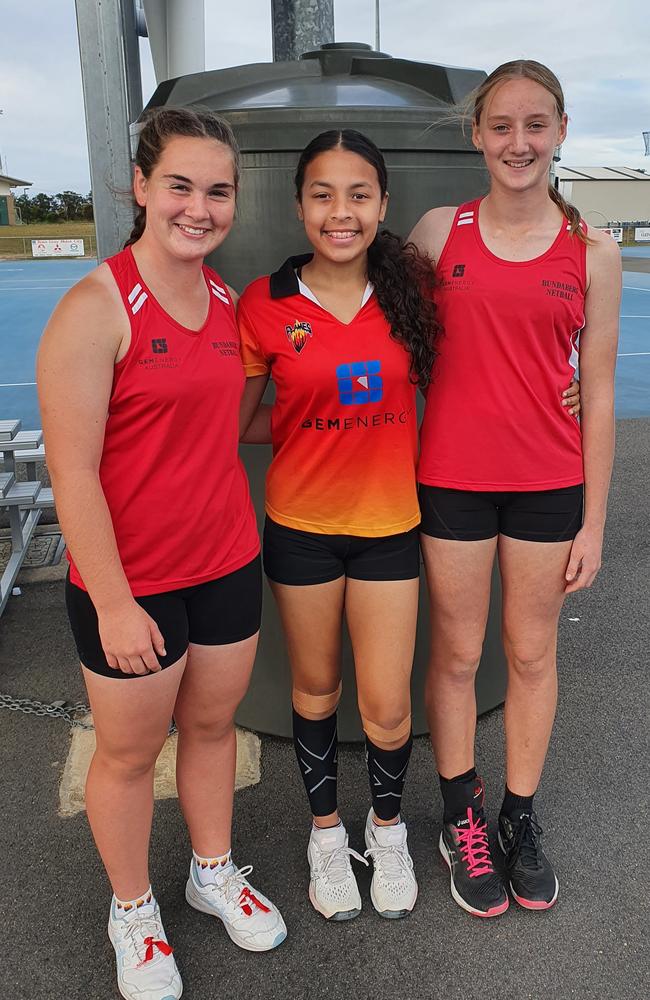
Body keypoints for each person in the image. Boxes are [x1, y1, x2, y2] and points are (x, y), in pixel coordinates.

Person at [37, 108, 286, 1000]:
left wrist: (351, 398)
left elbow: (233, 427)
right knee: (130, 756)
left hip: (224, 560)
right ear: (141, 186)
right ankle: (133, 908)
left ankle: (210, 870)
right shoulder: (93, 308)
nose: (200, 206)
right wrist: (111, 601)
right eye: (180, 184)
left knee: (214, 728)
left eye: (218, 190)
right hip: (129, 584)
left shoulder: (224, 302)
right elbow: (72, 474)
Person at [409, 60, 621, 916]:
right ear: (477, 135)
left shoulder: (593, 252)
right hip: (451, 482)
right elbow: (379, 331)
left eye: (536, 125)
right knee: (458, 655)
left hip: (546, 484)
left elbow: (598, 393)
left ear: (561, 132)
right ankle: (459, 814)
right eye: (502, 125)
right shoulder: (435, 232)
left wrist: (594, 521)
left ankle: (519, 816)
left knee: (531, 653)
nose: (519, 142)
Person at [237, 130, 440, 922]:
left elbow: (492, 354)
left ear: (383, 205)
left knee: (387, 704)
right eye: (322, 194)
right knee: (316, 690)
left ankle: (385, 832)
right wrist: (310, 422)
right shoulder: (266, 303)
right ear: (299, 205)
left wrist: (564, 388)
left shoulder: (412, 294)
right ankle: (327, 837)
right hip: (301, 527)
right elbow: (242, 418)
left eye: (358, 194)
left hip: (391, 525)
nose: (340, 211)